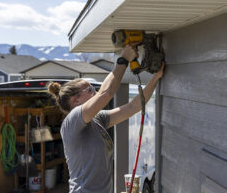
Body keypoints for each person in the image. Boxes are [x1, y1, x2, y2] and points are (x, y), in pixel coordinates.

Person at [47, 44, 164, 193]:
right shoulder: (72, 121)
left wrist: (156, 78)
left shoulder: (97, 119)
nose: (95, 93)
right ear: (75, 101)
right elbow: (105, 94)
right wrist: (123, 60)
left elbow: (133, 107)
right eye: (90, 90)